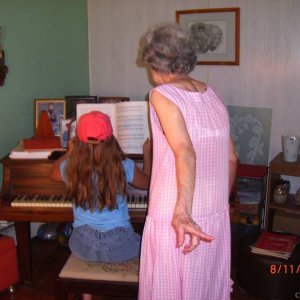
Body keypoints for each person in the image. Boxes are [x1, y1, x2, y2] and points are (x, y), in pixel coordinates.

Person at [138, 23, 237, 300]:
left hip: (175, 213)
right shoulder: (213, 94)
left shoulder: (161, 94)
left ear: (154, 63)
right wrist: (220, 202)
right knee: (203, 288)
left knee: (169, 288)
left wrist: (182, 212)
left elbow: (185, 151)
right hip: (213, 213)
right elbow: (231, 158)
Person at [49, 111, 152, 300]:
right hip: (120, 247)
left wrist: (68, 153)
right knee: (147, 244)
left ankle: (86, 294)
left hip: (81, 246)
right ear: (111, 138)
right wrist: (147, 153)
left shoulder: (71, 166)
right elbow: (147, 183)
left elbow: (52, 173)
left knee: (84, 244)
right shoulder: (124, 165)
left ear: (78, 140)